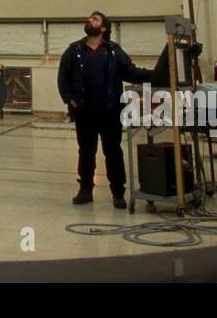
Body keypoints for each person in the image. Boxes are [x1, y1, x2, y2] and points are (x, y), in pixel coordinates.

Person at [56, 11, 154, 207]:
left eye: (95, 19)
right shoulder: (74, 51)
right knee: (86, 152)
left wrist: (156, 75)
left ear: (103, 28)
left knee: (113, 152)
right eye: (89, 18)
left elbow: (131, 72)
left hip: (110, 111)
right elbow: (63, 79)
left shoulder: (114, 51)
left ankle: (118, 192)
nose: (89, 20)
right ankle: (85, 190)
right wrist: (71, 100)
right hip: (85, 112)